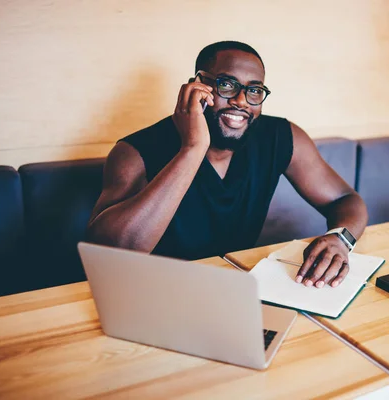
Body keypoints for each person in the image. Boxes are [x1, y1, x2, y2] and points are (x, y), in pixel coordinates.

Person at [87, 41, 368, 288]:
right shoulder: (134, 151)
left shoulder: (281, 137)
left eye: (254, 90)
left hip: (236, 288)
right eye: (227, 84)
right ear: (196, 86)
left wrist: (340, 239)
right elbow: (111, 252)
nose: (241, 101)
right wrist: (193, 148)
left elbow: (345, 199)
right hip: (155, 294)